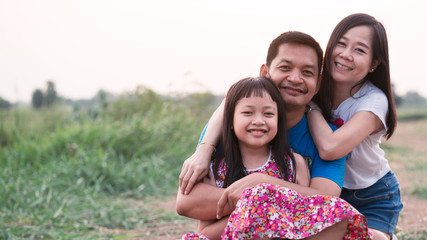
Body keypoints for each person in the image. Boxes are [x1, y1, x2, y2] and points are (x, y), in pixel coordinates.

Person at [176, 31, 369, 238]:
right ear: (265, 73)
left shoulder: (325, 141)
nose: (295, 78)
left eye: (307, 72)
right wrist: (255, 203)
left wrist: (263, 185)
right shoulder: (227, 129)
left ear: (318, 84)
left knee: (343, 217)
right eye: (285, 68)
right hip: (234, 231)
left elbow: (321, 203)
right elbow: (187, 202)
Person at [307, 13, 403, 240]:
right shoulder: (312, 81)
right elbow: (247, 96)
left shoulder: (374, 101)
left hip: (373, 194)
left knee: (363, 237)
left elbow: (330, 148)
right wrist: (206, 147)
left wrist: (310, 107)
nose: (345, 55)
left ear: (374, 63)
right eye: (341, 44)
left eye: (359, 50)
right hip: (325, 190)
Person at [182, 76, 311, 239]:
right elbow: (205, 234)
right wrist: (253, 211)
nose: (258, 121)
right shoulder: (217, 169)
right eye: (248, 113)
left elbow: (307, 221)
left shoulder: (293, 164)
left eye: (268, 113)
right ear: (229, 121)